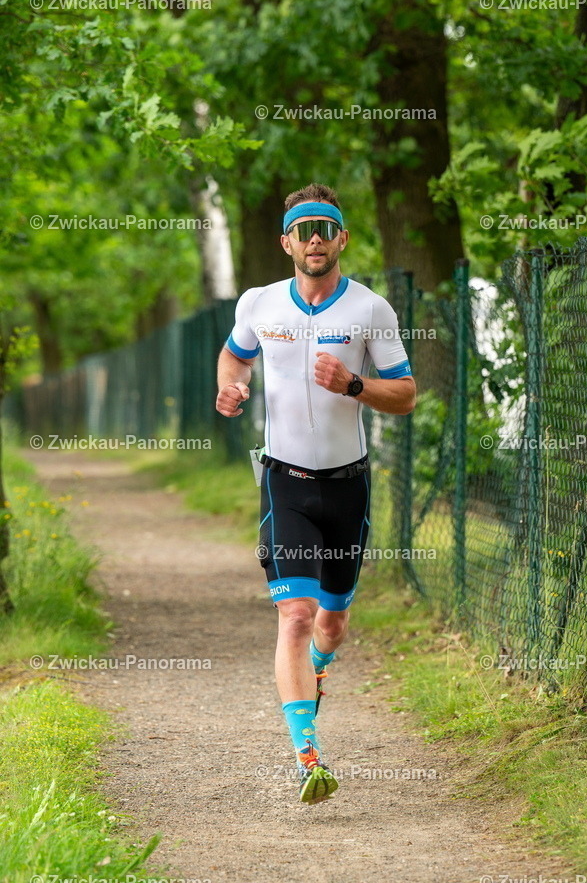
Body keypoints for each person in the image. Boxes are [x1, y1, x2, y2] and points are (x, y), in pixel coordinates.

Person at [216, 183, 416, 805]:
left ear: (342, 239)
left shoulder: (370, 310)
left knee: (332, 621)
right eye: (303, 230)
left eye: (326, 228)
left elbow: (406, 395)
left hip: (348, 487)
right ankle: (309, 757)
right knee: (296, 615)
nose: (315, 240)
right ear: (286, 243)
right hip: (285, 483)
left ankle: (318, 675)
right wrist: (231, 388)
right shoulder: (259, 304)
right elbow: (233, 357)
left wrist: (356, 385)